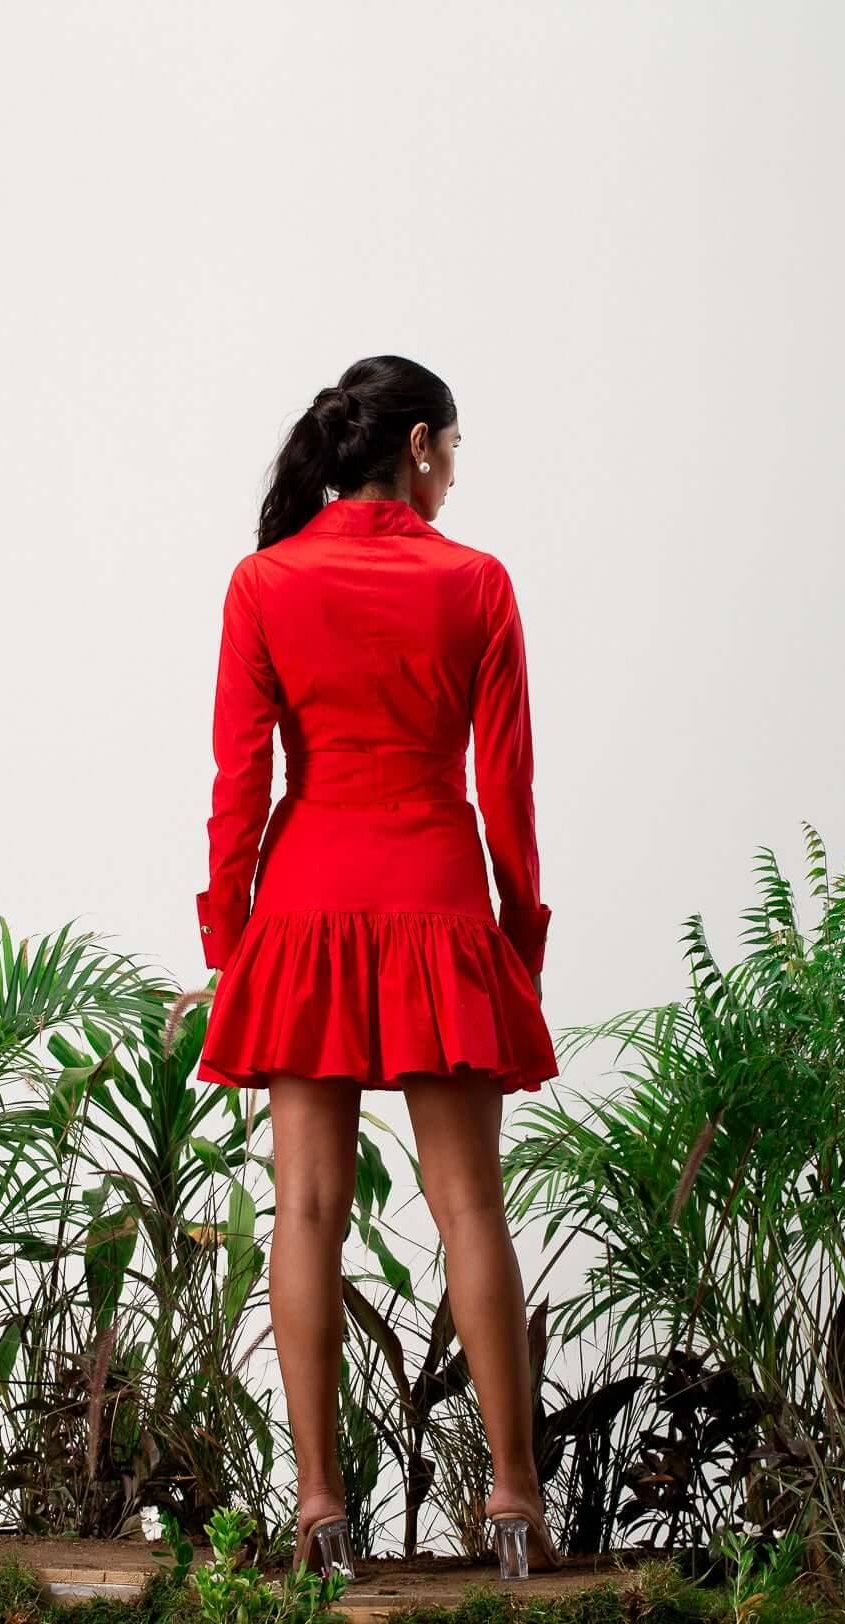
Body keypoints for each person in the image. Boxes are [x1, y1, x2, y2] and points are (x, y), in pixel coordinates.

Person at [193, 354, 562, 1582]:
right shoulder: (475, 583)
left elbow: (238, 788)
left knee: (304, 1210)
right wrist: (518, 940)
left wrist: (230, 947)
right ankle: (512, 1499)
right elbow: (506, 790)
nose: (453, 477)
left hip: (304, 912)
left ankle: (317, 1507)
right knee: (471, 1207)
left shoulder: (262, 583)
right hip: (437, 903)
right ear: (416, 445)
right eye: (451, 452)